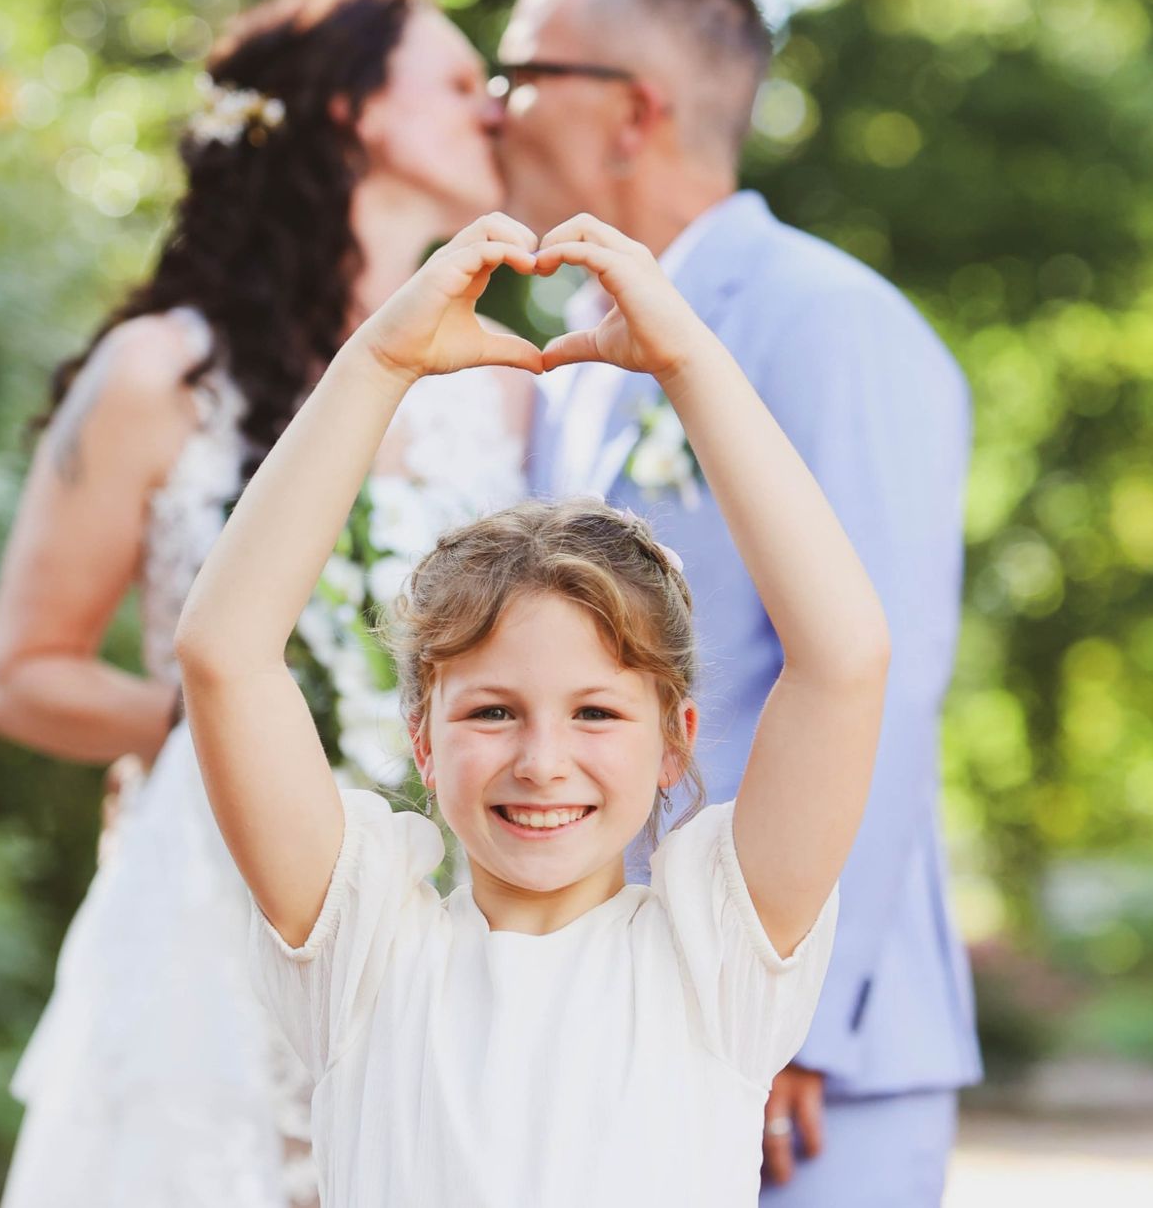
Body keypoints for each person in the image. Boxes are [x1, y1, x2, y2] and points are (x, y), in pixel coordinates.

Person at [174, 210, 890, 1206]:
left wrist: (688, 361)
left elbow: (845, 659)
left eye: (595, 713)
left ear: (674, 742)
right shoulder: (362, 946)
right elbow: (224, 653)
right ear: (422, 738)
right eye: (492, 713)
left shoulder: (716, 951)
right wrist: (379, 361)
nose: (543, 759)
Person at [0, 0, 528, 1208]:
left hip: (434, 898)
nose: (494, 111)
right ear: (352, 110)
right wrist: (212, 726)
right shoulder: (161, 372)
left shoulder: (504, 389)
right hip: (205, 899)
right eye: (455, 84)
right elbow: (24, 673)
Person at [498, 0, 982, 1204]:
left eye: (520, 74)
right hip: (617, 998)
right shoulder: (573, 359)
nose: (494, 110)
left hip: (804, 1042)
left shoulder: (830, 322)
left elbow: (885, 664)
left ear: (630, 110)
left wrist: (795, 1014)